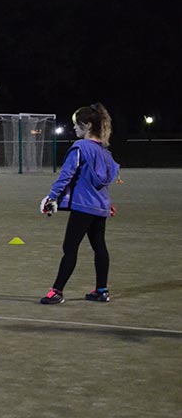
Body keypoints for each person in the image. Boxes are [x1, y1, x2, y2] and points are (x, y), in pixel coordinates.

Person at [39, 102, 120, 304]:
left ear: (88, 126)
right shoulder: (105, 152)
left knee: (70, 248)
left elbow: (66, 176)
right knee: (99, 246)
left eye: (77, 125)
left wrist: (51, 197)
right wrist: (106, 203)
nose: (74, 128)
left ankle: (57, 292)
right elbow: (103, 183)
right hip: (99, 207)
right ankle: (101, 290)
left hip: (83, 207)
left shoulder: (80, 148)